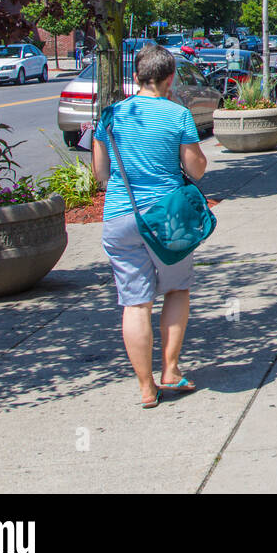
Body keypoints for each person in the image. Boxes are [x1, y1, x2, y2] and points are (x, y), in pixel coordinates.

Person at [90, 45, 208, 409]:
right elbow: (197, 169)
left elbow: (100, 174)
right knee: (176, 289)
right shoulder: (178, 115)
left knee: (135, 302)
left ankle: (146, 387)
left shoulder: (110, 116)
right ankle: (170, 370)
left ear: (137, 77)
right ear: (170, 78)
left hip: (119, 217)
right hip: (166, 219)